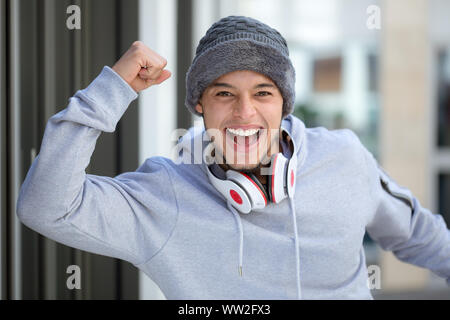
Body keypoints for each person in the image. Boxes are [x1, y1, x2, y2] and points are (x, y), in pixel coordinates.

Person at [16, 16, 450, 300]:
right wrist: (110, 92)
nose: (244, 113)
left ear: (284, 104)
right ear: (199, 105)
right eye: (224, 94)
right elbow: (46, 207)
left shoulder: (344, 159)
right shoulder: (164, 195)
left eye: (263, 93)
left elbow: (420, 235)